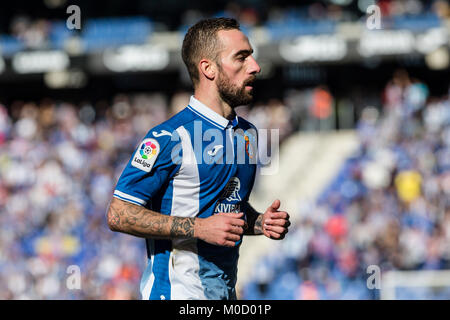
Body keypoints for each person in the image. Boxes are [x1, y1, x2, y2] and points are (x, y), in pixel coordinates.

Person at [106, 17, 290, 300]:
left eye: (251, 56)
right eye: (241, 57)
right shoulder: (169, 137)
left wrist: (258, 222)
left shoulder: (248, 135)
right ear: (208, 69)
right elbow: (118, 213)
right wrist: (199, 228)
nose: (255, 66)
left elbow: (227, 207)